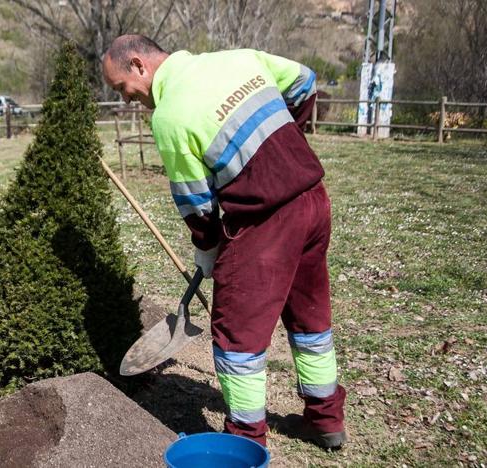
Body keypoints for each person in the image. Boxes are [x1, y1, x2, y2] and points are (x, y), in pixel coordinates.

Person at [102, 35, 346, 449]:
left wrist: (208, 249)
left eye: (120, 88)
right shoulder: (238, 59)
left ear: (139, 66)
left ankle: (246, 438)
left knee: (237, 333)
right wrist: (286, 145)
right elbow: (305, 81)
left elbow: (196, 204)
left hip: (265, 223)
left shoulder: (170, 116)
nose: (126, 99)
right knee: (310, 317)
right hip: (313, 202)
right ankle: (326, 419)